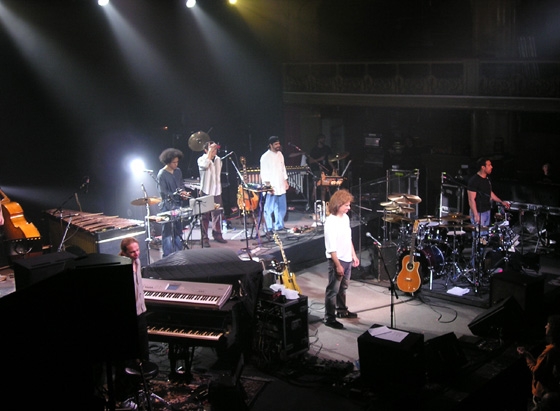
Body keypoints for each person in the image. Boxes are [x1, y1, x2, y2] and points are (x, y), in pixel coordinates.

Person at [115, 237, 149, 406]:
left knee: (143, 353)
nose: (136, 254)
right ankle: (124, 395)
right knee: (127, 358)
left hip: (140, 313)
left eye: (137, 250)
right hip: (128, 318)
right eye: (132, 252)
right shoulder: (121, 267)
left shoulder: (138, 261)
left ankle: (139, 387)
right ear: (124, 253)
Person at [323, 189, 360, 329]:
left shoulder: (345, 218)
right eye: (346, 205)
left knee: (343, 288)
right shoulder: (330, 222)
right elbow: (331, 248)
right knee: (333, 290)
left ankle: (342, 310)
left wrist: (353, 255)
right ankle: (329, 318)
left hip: (347, 258)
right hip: (337, 260)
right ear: (338, 204)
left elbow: (348, 238)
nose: (349, 208)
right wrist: (338, 265)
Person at [517, 314, 560, 409]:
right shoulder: (556, 348)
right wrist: (528, 354)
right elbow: (541, 366)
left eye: (548, 325)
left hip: (542, 392)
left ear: (553, 329)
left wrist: (526, 356)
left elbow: (536, 372)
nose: (545, 326)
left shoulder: (550, 350)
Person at [157, 148, 190, 257]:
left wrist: (184, 193)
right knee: (167, 232)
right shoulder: (162, 174)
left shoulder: (178, 171)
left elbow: (181, 185)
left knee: (178, 231)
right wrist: (177, 194)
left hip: (178, 205)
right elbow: (163, 192)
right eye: (174, 162)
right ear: (167, 162)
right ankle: (167, 256)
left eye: (177, 162)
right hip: (167, 206)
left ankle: (178, 254)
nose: (176, 164)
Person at [197, 140, 227, 247]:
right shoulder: (201, 159)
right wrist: (209, 154)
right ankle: (204, 238)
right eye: (212, 149)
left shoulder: (218, 159)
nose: (214, 151)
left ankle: (217, 234)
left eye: (215, 149)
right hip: (206, 190)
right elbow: (205, 166)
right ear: (206, 150)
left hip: (217, 191)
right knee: (204, 216)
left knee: (217, 214)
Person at [467, 157, 510, 231]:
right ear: (483, 167)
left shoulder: (487, 179)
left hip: (487, 210)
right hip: (479, 212)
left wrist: (501, 201)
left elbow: (489, 192)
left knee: (486, 234)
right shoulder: (474, 181)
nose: (491, 167)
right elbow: (471, 199)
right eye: (489, 165)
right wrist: (476, 215)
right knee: (479, 234)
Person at [260, 136, 289, 234]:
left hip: (281, 185)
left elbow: (283, 168)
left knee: (282, 208)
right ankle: (268, 228)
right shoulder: (265, 157)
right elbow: (264, 174)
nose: (278, 146)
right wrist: (268, 187)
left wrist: (285, 181)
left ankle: (279, 225)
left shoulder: (280, 154)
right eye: (276, 144)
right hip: (271, 187)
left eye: (279, 143)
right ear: (270, 145)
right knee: (269, 209)